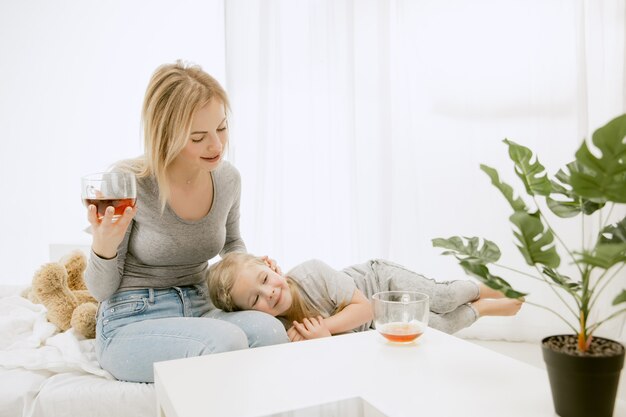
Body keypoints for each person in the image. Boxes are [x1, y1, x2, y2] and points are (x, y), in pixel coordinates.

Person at [84, 61, 288, 383]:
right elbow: (101, 290)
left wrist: (252, 267)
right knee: (226, 343)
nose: (217, 146)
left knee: (271, 332)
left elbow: (232, 244)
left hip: (200, 304)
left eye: (221, 129)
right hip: (132, 317)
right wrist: (104, 246)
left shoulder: (228, 179)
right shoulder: (127, 182)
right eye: (198, 137)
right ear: (167, 136)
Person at [207, 253, 524, 341]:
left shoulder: (310, 273)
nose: (270, 292)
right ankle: (483, 310)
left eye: (265, 279)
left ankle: (486, 288)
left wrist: (326, 330)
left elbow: (367, 307)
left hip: (378, 283)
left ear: (270, 264)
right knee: (435, 327)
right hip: (372, 325)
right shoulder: (279, 329)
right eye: (255, 299)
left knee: (441, 297)